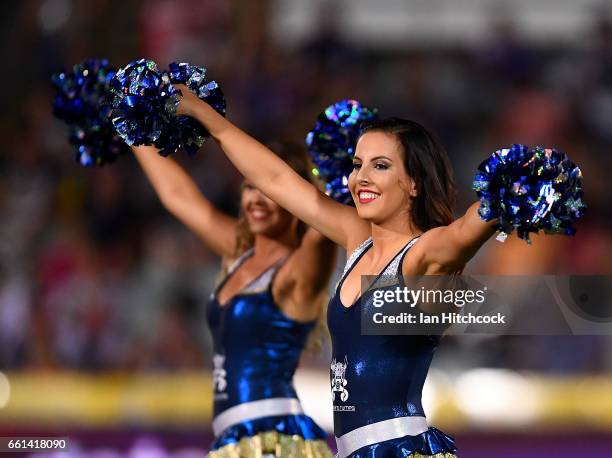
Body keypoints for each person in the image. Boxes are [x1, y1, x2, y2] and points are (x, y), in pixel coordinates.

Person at [173, 86, 508, 457]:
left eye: (380, 165)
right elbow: (275, 180)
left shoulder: (422, 255)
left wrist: (515, 187)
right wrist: (204, 115)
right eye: (357, 164)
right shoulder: (355, 237)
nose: (361, 176)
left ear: (413, 183)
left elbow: (465, 231)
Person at [131, 142, 336, 457]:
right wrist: (128, 124)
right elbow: (178, 196)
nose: (256, 199)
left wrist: (336, 179)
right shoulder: (241, 253)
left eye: (270, 190)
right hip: (235, 438)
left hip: (275, 438)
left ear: (293, 200)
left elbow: (321, 230)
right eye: (250, 187)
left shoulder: (299, 270)